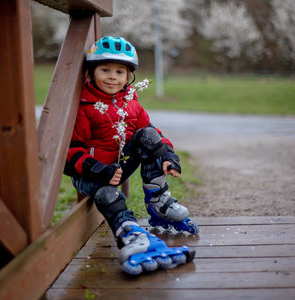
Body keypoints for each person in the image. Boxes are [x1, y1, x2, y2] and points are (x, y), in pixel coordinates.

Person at [64, 36, 198, 275]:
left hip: (119, 166)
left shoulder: (131, 103)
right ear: (92, 72)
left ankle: (157, 201)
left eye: (120, 71)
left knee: (147, 134)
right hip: (91, 174)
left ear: (129, 77)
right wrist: (98, 170)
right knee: (107, 193)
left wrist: (168, 155)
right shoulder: (84, 107)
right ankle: (130, 232)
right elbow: (71, 152)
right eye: (105, 70)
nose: (112, 76)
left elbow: (153, 133)